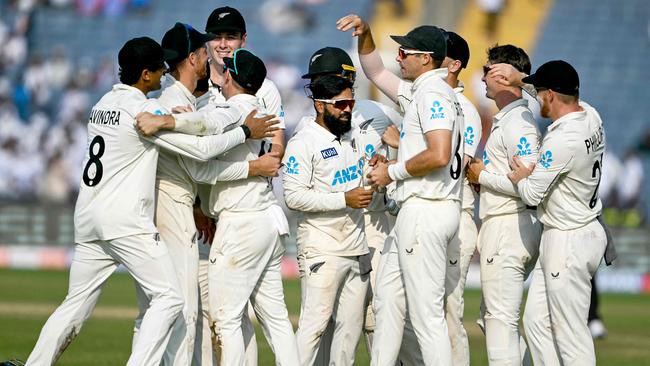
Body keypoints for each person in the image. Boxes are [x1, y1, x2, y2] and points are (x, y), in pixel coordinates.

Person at [23, 36, 276, 366]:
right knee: (171, 299)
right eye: (159, 70)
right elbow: (200, 152)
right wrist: (244, 132)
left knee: (76, 303)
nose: (164, 75)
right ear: (145, 75)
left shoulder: (101, 104)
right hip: (125, 221)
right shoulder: (147, 109)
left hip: (87, 216)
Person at [131, 23, 282, 365]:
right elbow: (200, 159)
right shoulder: (171, 102)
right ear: (193, 58)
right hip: (171, 206)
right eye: (203, 52)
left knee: (170, 309)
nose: (209, 59)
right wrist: (247, 147)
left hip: (183, 206)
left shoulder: (186, 100)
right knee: (180, 309)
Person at [338, 14, 464, 365]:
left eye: (405, 51)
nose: (398, 57)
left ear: (425, 58)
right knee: (388, 302)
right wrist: (365, 34)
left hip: (427, 209)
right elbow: (375, 71)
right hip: (423, 210)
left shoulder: (433, 94)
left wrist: (392, 171)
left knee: (426, 317)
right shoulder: (427, 90)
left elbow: (439, 154)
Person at [297, 46, 403, 364]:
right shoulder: (311, 128)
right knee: (322, 319)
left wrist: (391, 178)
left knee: (374, 316)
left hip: (376, 225)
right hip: (332, 230)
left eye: (321, 78)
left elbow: (397, 166)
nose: (316, 85)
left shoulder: (375, 114)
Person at [195, 8, 288, 363]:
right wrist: (197, 209)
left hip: (242, 209)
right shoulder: (198, 85)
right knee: (208, 313)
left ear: (243, 40)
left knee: (229, 316)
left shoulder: (263, 87)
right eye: (217, 37)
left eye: (231, 36)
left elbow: (276, 143)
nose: (223, 44)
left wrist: (267, 161)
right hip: (206, 216)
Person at [506, 60, 609, 366]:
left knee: (571, 336)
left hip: (568, 241)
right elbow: (551, 91)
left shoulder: (562, 138)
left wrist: (520, 177)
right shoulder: (590, 115)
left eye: (538, 92)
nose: (535, 97)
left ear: (550, 94)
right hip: (583, 231)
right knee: (537, 323)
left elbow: (533, 195)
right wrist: (521, 80)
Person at [283, 75, 373, 366]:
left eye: (351, 102)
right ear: (320, 106)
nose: (348, 109)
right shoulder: (303, 142)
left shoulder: (353, 135)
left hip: (357, 247)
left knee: (349, 333)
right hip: (322, 247)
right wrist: (343, 200)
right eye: (341, 104)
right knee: (315, 326)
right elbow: (294, 198)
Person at [465, 44, 541, 366]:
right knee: (491, 318)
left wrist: (483, 175)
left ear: (502, 74)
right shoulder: (509, 119)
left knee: (500, 323)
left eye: (487, 71)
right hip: (507, 223)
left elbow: (529, 184)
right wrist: (486, 180)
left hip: (510, 226)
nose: (482, 79)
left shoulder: (519, 123)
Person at [441, 30, 482, 366]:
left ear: (453, 65)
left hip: (456, 215)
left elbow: (455, 164)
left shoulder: (465, 111)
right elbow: (377, 73)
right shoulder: (422, 99)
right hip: (429, 216)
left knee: (450, 313)